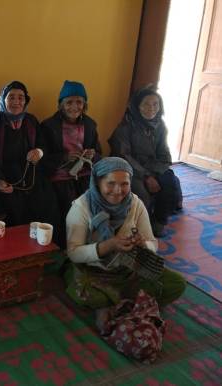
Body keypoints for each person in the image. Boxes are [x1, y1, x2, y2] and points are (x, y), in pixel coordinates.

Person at [65, 157, 186, 327]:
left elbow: (153, 242)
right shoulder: (81, 208)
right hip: (94, 272)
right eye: (111, 183)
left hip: (129, 270)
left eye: (124, 184)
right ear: (98, 182)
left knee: (177, 284)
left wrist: (144, 245)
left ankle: (114, 306)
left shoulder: (135, 204)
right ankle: (130, 304)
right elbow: (74, 253)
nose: (118, 190)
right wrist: (110, 245)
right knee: (88, 294)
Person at [0, 81, 60, 238]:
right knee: (10, 209)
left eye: (21, 98)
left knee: (47, 202)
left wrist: (39, 152)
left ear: (26, 101)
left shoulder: (31, 121)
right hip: (3, 179)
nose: (16, 102)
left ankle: (44, 249)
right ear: (3, 100)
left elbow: (43, 145)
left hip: (31, 176)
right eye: (11, 97)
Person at [108, 86, 182, 237]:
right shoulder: (125, 127)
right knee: (142, 193)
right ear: (137, 106)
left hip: (153, 167)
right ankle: (142, 226)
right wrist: (147, 176)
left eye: (155, 104)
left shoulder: (160, 126)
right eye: (146, 104)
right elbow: (124, 156)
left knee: (170, 181)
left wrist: (156, 172)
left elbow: (164, 154)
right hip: (130, 169)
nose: (151, 108)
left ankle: (159, 221)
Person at [41, 80, 101, 247]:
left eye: (79, 102)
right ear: (61, 104)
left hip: (84, 174)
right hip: (59, 176)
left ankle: (89, 245)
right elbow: (42, 158)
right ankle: (67, 247)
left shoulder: (89, 124)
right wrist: (64, 157)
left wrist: (92, 154)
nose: (74, 107)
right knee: (71, 207)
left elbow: (99, 152)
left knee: (95, 204)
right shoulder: (48, 126)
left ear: (84, 104)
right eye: (69, 102)